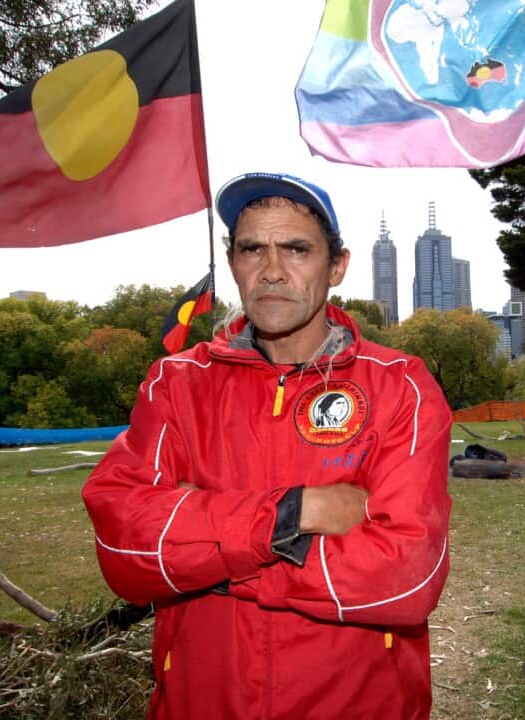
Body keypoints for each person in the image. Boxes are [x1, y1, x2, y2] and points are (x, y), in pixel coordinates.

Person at [82, 172, 453, 720]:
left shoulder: (401, 386)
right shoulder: (175, 384)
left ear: (337, 266)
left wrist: (206, 554)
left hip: (358, 705)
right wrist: (294, 512)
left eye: (297, 249)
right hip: (200, 704)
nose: (272, 270)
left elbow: (404, 581)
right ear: (233, 263)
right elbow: (125, 553)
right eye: (252, 248)